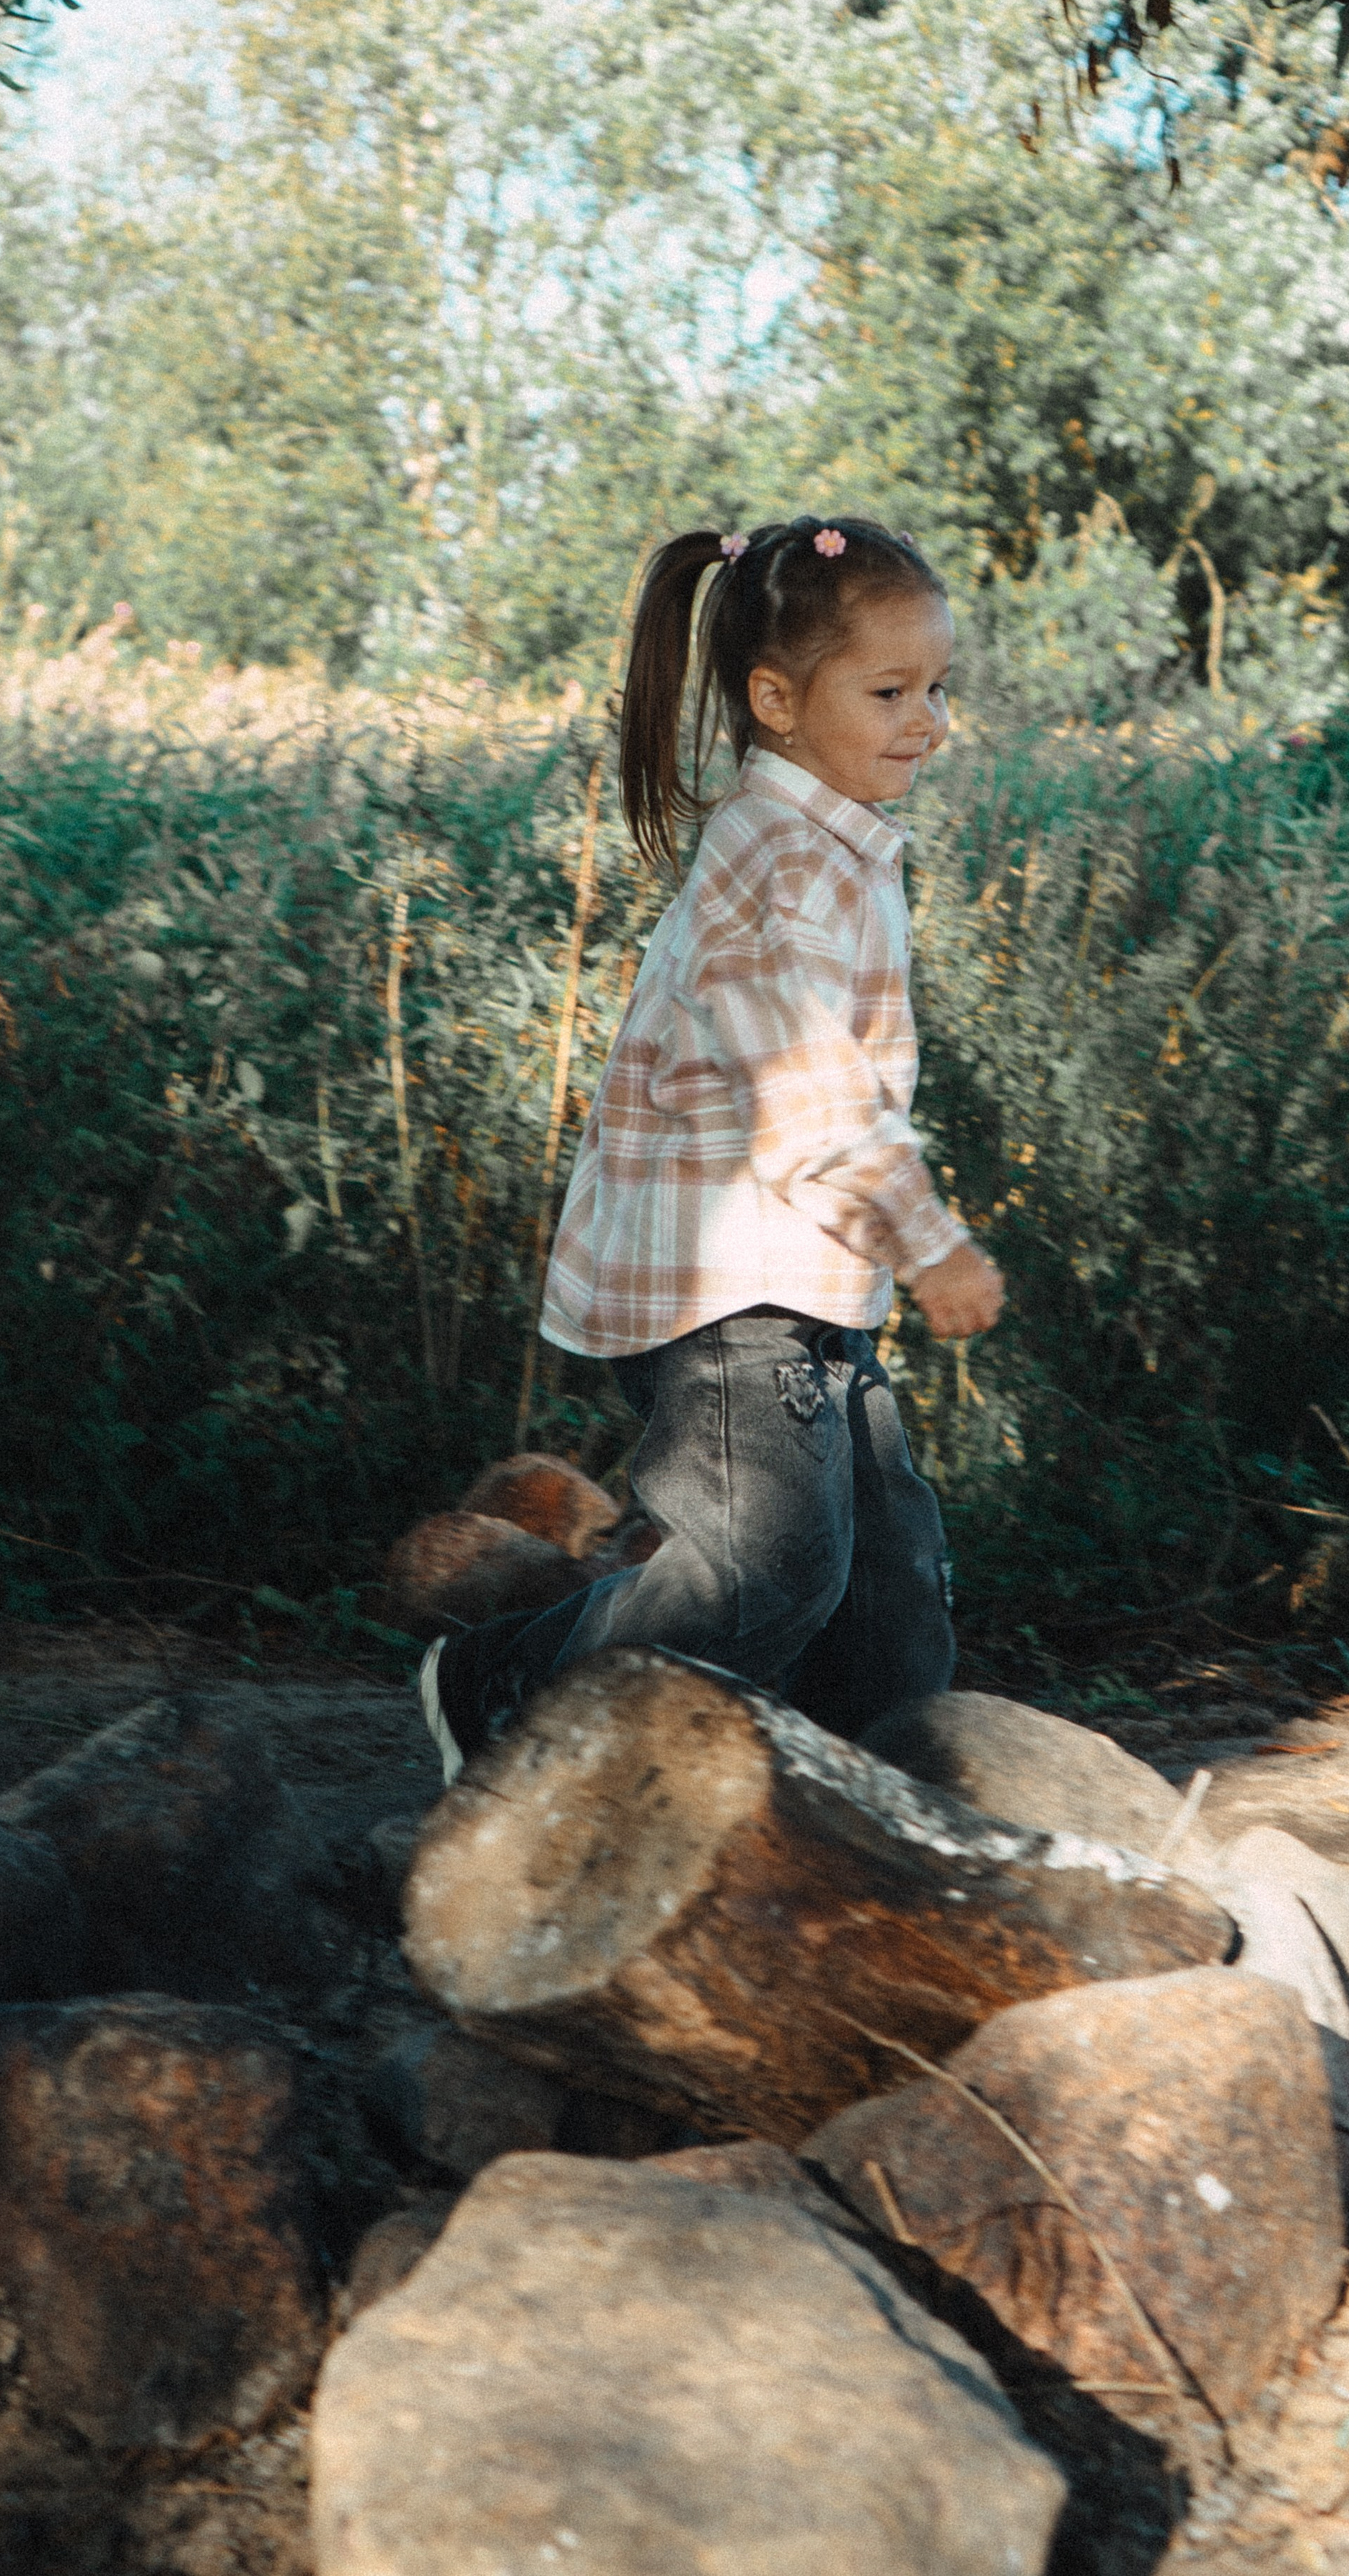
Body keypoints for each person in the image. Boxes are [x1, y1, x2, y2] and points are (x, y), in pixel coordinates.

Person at [420, 514, 1006, 1780]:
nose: (931, 720)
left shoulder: (837, 842)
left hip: (803, 1277)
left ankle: (851, 1801)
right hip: (722, 1286)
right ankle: (500, 1688)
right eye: (892, 691)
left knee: (888, 1593)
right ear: (776, 699)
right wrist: (926, 1235)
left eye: (938, 688)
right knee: (758, 1572)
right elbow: (802, 1084)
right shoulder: (776, 856)